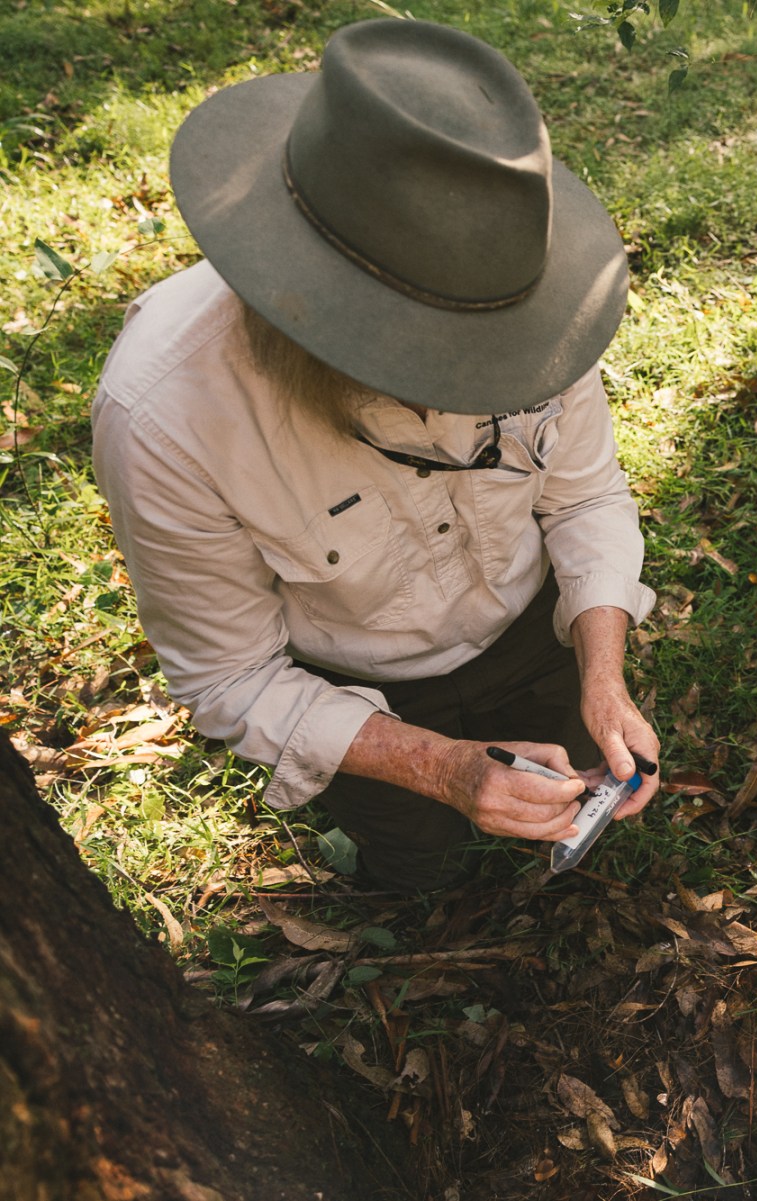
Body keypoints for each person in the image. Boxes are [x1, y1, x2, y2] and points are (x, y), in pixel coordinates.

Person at [91, 19, 659, 891]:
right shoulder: (166, 413)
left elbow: (583, 500)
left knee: (576, 801)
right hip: (354, 685)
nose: (468, 386)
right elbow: (230, 676)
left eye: (493, 350)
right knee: (417, 871)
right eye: (423, 357)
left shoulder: (531, 305)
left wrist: (605, 672)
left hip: (528, 622)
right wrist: (442, 768)